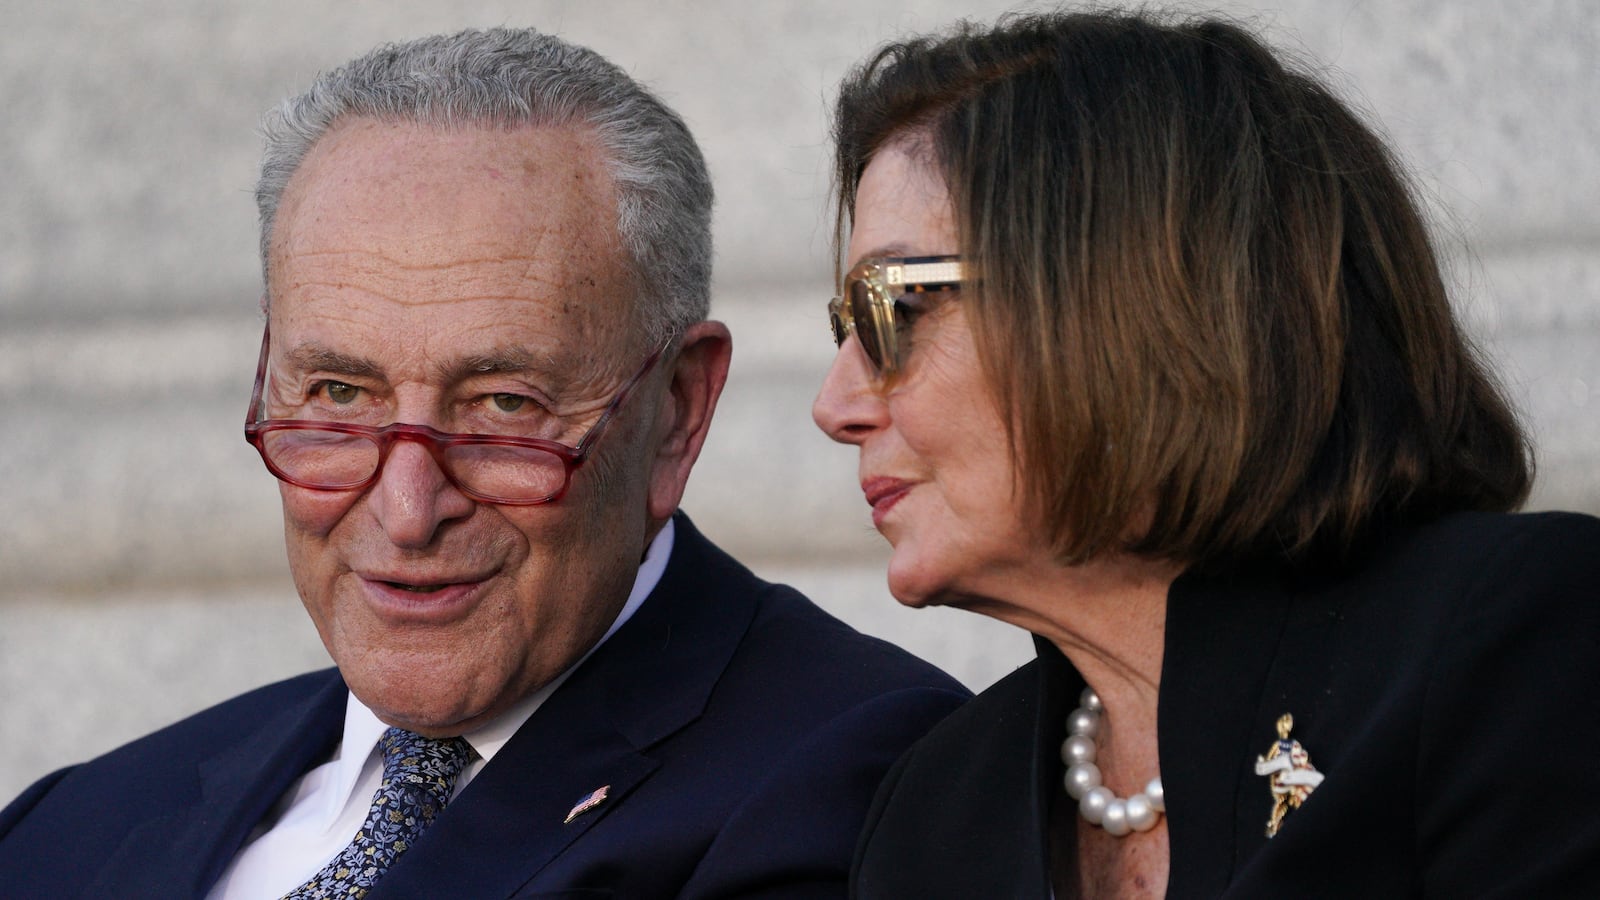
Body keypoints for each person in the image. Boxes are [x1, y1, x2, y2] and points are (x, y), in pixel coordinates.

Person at [0, 27, 967, 897]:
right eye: (339, 395)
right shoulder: (72, 827)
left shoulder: (868, 785)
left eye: (504, 405)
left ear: (676, 412)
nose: (409, 509)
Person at [812, 10, 1600, 898]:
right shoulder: (935, 808)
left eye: (891, 310)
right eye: (847, 328)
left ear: (1129, 294)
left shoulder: (1512, 642)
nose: (833, 406)